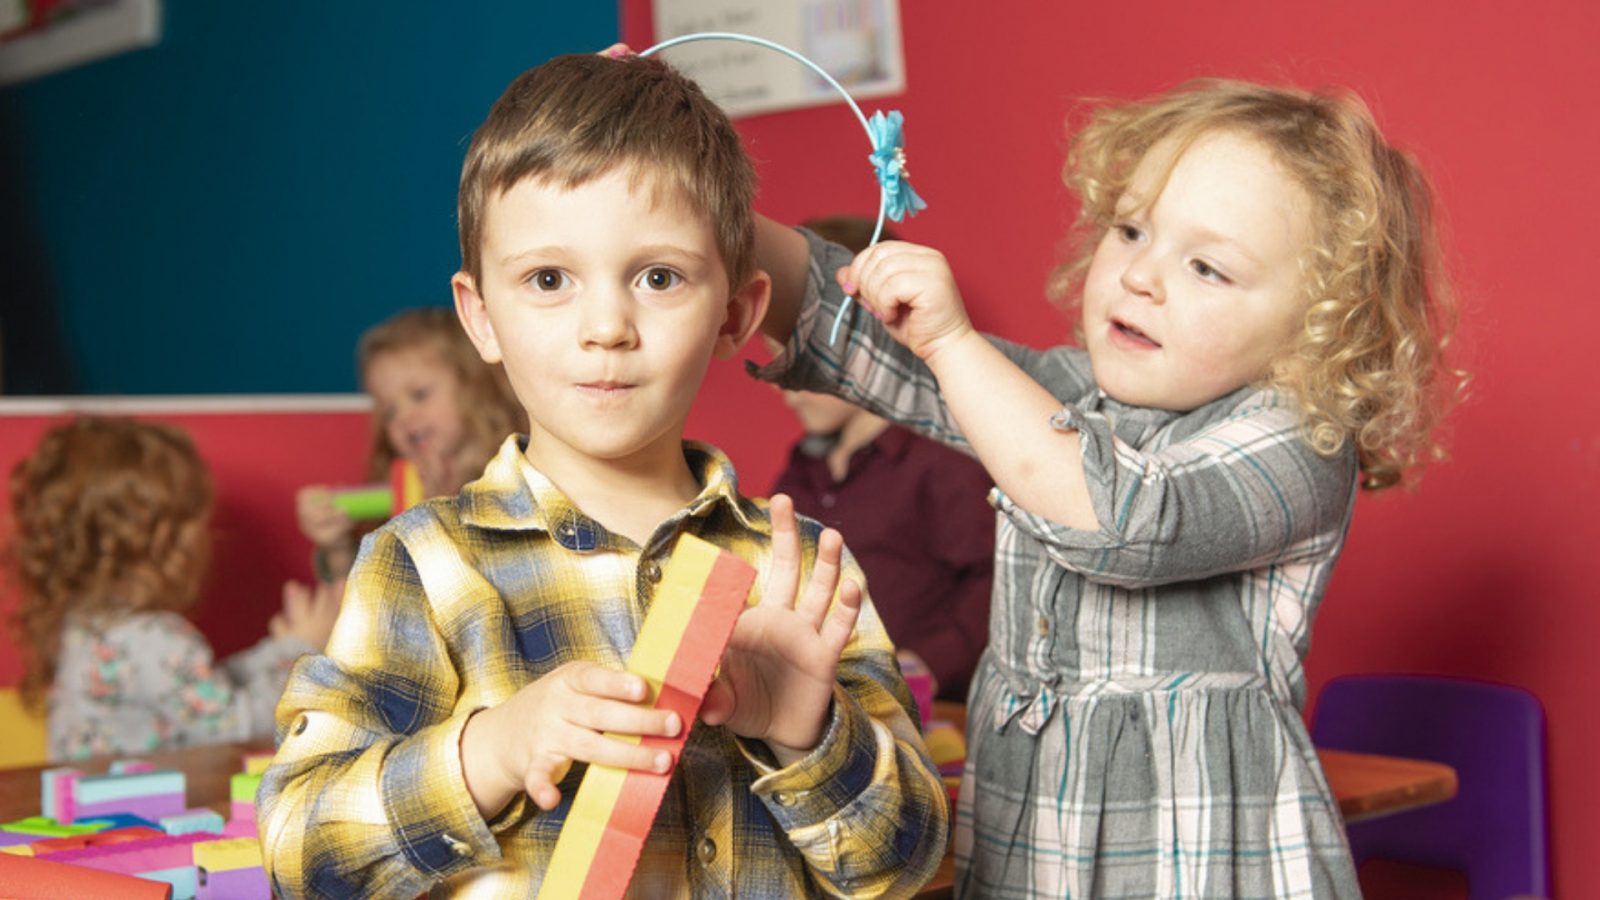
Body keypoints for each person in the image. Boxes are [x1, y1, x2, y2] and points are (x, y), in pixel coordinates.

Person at [256, 52, 947, 898]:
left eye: (659, 277)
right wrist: (492, 751)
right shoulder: (428, 566)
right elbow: (297, 848)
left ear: (735, 314)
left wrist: (810, 732)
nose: (607, 326)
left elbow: (908, 864)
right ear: (482, 317)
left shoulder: (794, 570)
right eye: (550, 279)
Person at [753, 79, 1464, 896]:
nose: (1140, 277)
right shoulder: (1077, 396)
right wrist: (717, 223)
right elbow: (881, 354)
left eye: (1207, 267)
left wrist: (954, 345)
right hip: (1031, 862)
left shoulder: (1299, 442)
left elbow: (1127, 518)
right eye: (1131, 230)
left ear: (1316, 330)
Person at [6, 417, 340, 761]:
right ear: (166, 545)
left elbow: (204, 687)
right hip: (134, 808)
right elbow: (241, 724)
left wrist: (279, 651)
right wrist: (303, 651)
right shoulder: (156, 637)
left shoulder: (87, 622)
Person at [770, 214, 994, 702]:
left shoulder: (942, 462)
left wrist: (929, 664)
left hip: (925, 715)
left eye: (801, 358)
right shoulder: (800, 471)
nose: (789, 391)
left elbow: (993, 583)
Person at [294, 306, 525, 582]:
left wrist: (439, 515)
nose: (404, 417)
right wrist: (337, 547)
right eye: (389, 411)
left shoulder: (522, 470)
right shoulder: (403, 486)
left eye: (419, 395)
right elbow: (370, 604)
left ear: (475, 383)